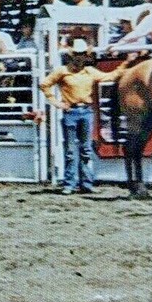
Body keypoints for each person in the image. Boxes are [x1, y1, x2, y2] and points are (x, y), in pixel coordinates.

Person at [39, 38, 110, 194]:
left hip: (84, 111)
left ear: (85, 55)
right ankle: (72, 183)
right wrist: (57, 103)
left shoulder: (89, 71)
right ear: (73, 55)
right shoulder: (63, 71)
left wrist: (125, 66)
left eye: (82, 54)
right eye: (78, 54)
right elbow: (44, 84)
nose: (79, 57)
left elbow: (109, 76)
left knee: (85, 149)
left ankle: (82, 183)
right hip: (72, 111)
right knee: (72, 150)